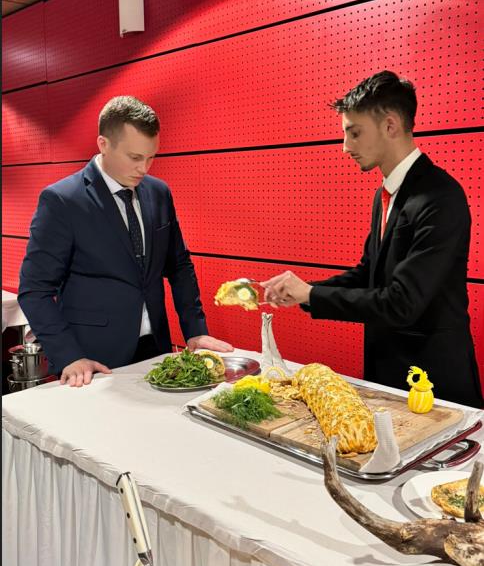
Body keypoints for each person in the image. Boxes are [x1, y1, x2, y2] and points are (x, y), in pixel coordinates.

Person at [261, 71, 482, 408]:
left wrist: (312, 294)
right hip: (389, 375)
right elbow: (367, 275)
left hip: (434, 384)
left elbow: (402, 302)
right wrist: (303, 292)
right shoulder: (387, 194)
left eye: (355, 132)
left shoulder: (441, 196)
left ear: (390, 125)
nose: (346, 146)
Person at [18, 96, 232, 387]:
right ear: (103, 144)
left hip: (156, 350)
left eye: (151, 156)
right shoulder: (62, 200)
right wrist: (68, 355)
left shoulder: (158, 192)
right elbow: (35, 290)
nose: (144, 168)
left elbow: (179, 266)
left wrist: (195, 330)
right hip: (91, 362)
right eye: (134, 157)